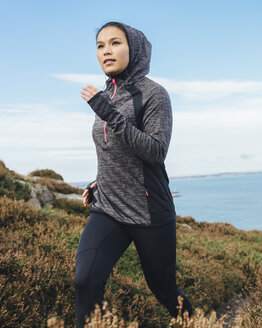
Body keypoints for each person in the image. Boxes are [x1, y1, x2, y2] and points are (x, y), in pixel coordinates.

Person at [76, 21, 193, 327]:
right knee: (85, 281)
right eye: (100, 46)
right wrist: (99, 180)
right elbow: (114, 150)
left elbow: (155, 151)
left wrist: (107, 111)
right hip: (108, 208)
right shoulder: (107, 94)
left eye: (115, 43)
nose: (106, 51)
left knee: (165, 291)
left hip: (149, 210)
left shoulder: (154, 94)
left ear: (134, 48)